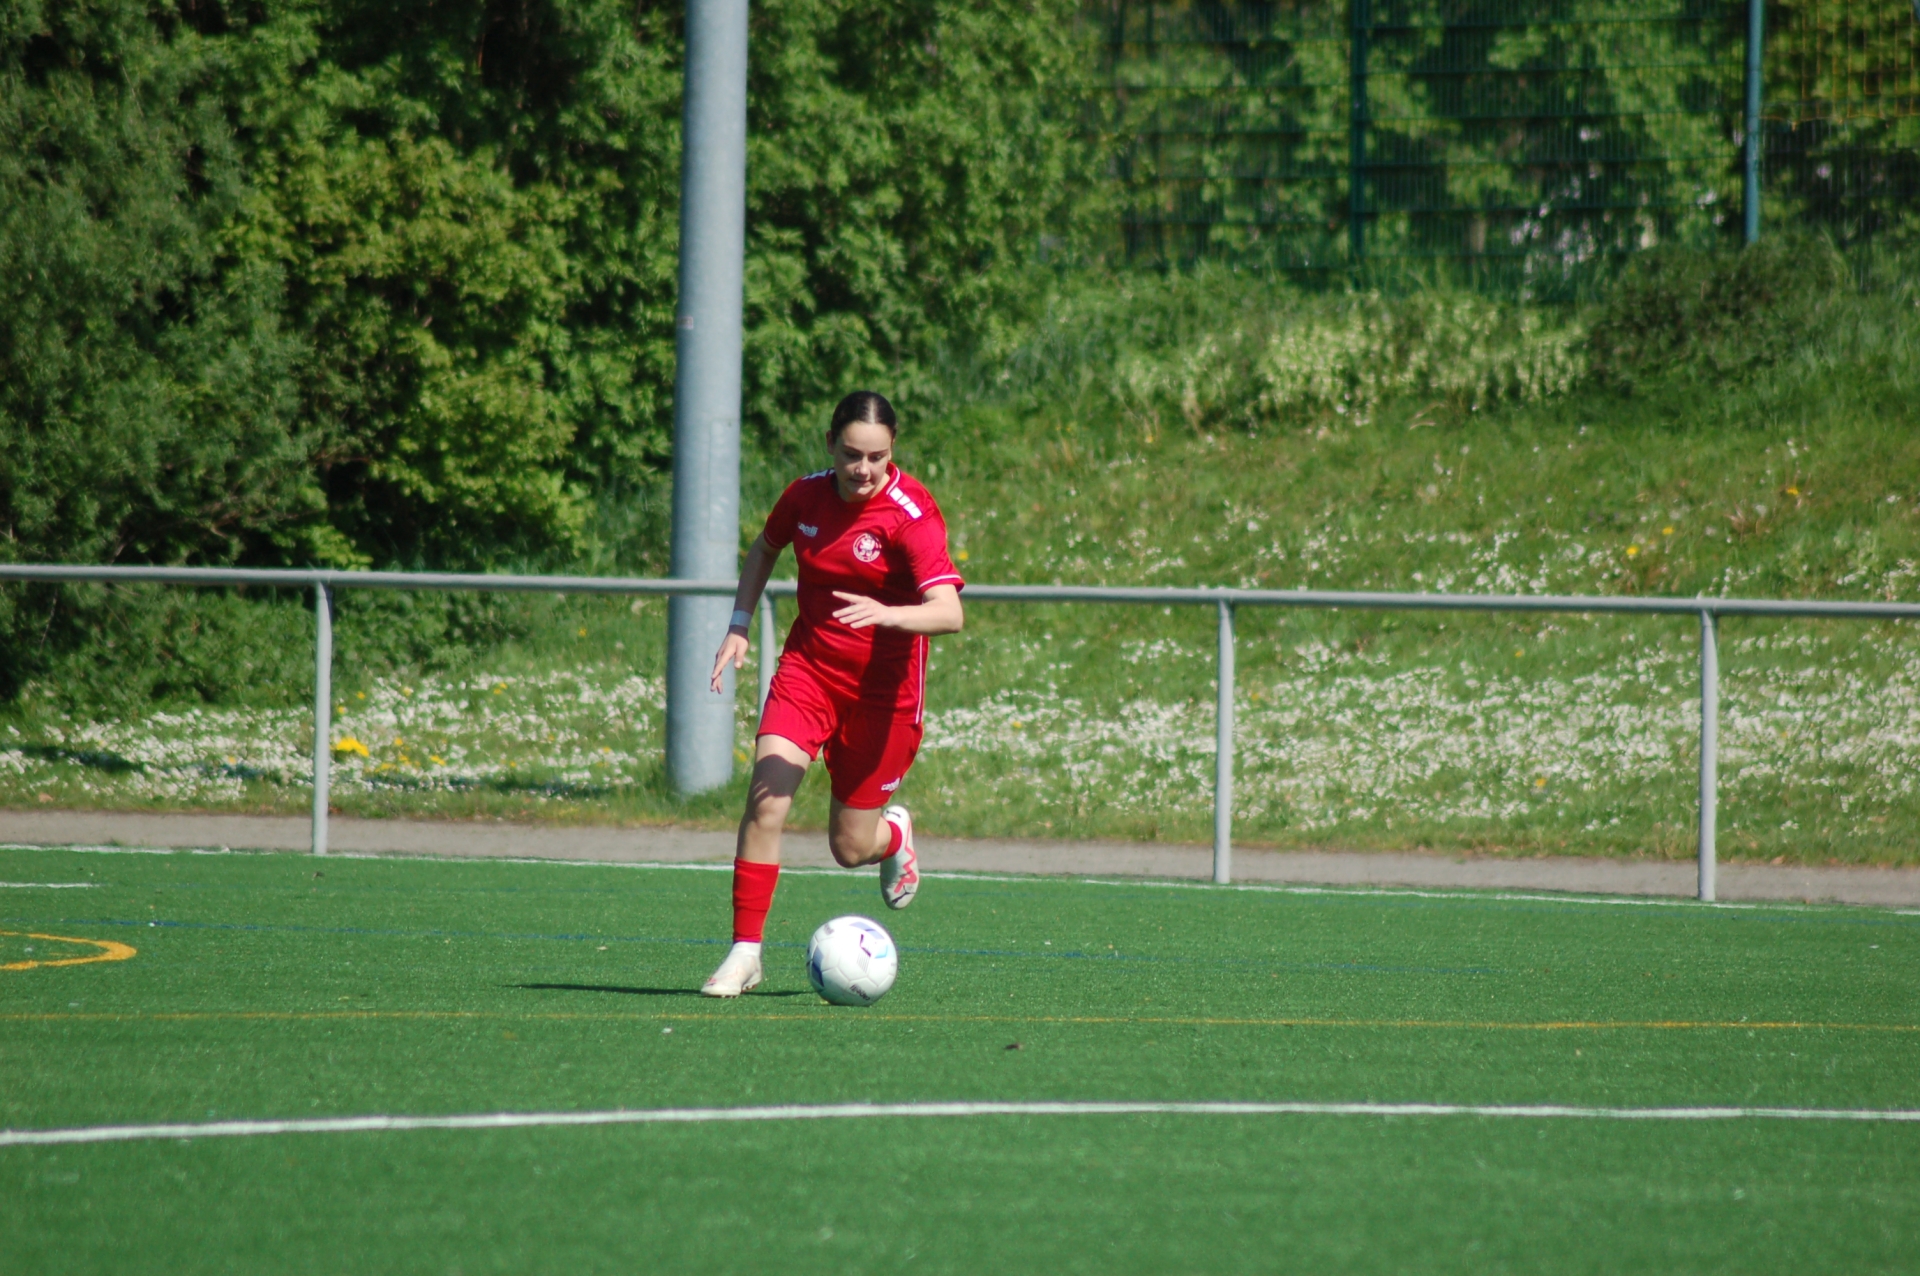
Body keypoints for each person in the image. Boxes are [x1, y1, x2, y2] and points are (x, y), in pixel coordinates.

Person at [700, 390, 965, 997]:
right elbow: (765, 548)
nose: (863, 470)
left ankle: (894, 835)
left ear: (892, 451)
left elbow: (949, 613)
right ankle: (745, 952)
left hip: (883, 696)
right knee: (766, 803)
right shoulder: (804, 497)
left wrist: (887, 613)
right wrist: (739, 624)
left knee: (849, 848)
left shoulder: (910, 514)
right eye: (851, 454)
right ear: (830, 445)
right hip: (809, 673)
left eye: (876, 457)